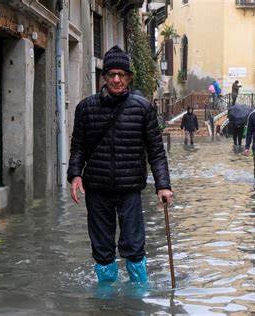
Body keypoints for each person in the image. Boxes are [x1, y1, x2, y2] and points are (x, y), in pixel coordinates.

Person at [67, 45, 174, 284]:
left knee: (135, 245)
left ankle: (137, 296)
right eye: (112, 74)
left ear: (129, 78)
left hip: (130, 189)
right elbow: (78, 147)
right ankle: (105, 297)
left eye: (122, 75)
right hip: (97, 188)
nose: (117, 79)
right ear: (104, 77)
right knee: (102, 247)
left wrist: (163, 186)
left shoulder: (143, 108)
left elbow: (156, 152)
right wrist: (75, 175)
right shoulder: (85, 109)